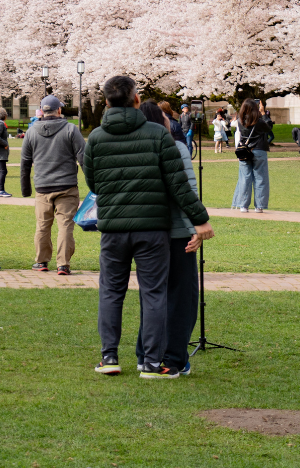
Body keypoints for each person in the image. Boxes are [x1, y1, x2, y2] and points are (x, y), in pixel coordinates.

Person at [83, 75, 213, 378]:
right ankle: (153, 363)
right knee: (153, 293)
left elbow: (93, 182)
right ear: (137, 99)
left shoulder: (97, 138)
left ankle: (109, 357)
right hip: (152, 228)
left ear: (106, 102)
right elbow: (178, 184)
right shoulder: (157, 134)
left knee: (111, 292)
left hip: (113, 227)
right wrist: (200, 219)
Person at [136, 100, 205, 375]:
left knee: (152, 296)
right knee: (181, 296)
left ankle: (146, 353)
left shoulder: (135, 148)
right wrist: (197, 226)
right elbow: (186, 191)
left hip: (146, 232)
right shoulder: (174, 147)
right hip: (176, 232)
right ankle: (174, 357)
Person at [19, 95, 84, 275]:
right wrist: (94, 183)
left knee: (42, 225)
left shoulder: (31, 132)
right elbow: (83, 158)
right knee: (65, 225)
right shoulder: (71, 129)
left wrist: (25, 189)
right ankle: (63, 264)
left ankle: (41, 261)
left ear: (41, 111)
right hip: (67, 186)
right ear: (59, 110)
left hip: (43, 187)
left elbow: (25, 162)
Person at [232, 99, 272, 212]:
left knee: (245, 177)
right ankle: (259, 205)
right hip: (259, 150)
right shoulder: (259, 122)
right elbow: (269, 127)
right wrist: (263, 114)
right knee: (260, 177)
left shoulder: (240, 121)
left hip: (244, 150)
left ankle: (243, 205)